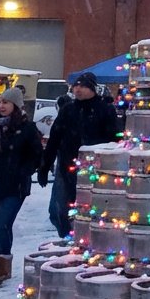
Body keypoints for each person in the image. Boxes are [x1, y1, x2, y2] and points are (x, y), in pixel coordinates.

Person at [38, 72, 118, 238]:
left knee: (90, 208)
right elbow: (55, 138)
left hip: (95, 168)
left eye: (83, 86)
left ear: (92, 89)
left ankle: (87, 238)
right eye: (76, 86)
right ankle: (68, 237)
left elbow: (114, 139)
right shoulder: (68, 110)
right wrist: (45, 167)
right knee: (63, 208)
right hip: (67, 166)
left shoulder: (105, 109)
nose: (78, 89)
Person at [0, 87, 42, 287]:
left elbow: (36, 156)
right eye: (0, 102)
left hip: (13, 186)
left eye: (6, 102)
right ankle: (2, 260)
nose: (1, 106)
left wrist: (22, 172)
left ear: (16, 105)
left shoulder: (26, 128)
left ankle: (0, 269)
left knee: (2, 224)